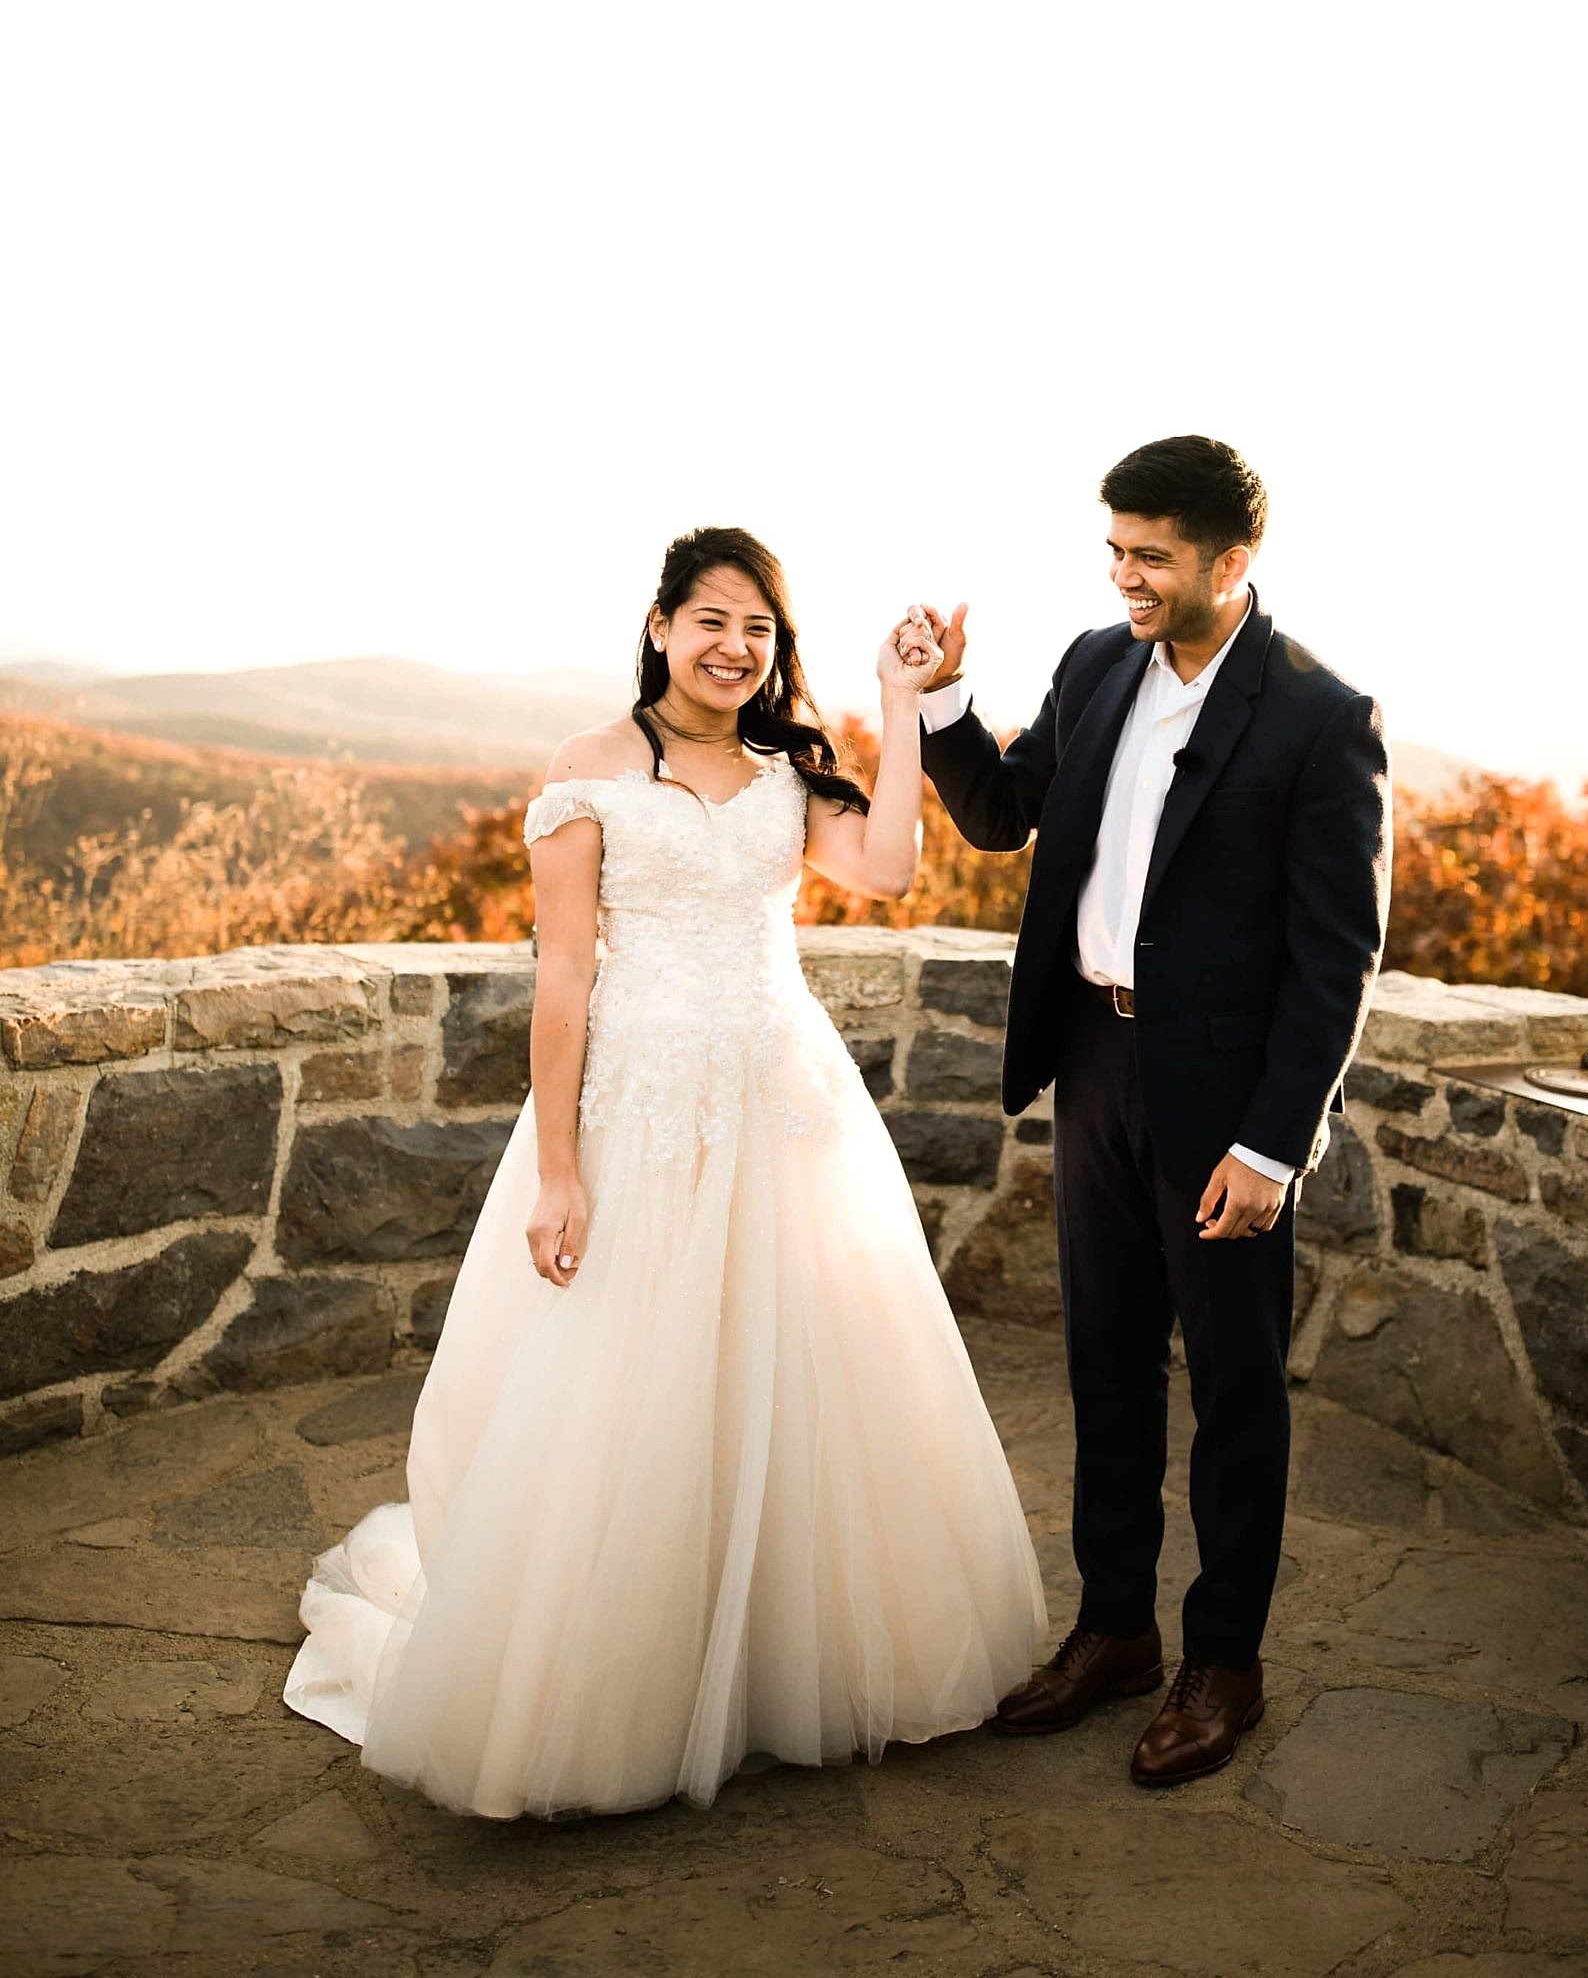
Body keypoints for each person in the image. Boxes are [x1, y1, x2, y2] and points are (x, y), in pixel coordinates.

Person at [283, 525, 1044, 1818]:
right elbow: (564, 979)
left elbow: (893, 867)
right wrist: (559, 1172)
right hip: (637, 1115)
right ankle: (624, 1680)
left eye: (757, 629)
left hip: (780, 1105)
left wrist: (900, 708)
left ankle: (762, 1663)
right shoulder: (588, 773)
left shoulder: (783, 768)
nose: (734, 648)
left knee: (792, 1376)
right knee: (632, 1391)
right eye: (711, 622)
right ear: (658, 626)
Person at [908, 436, 1389, 1785]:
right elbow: (1005, 816)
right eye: (1112, 550)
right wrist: (945, 703)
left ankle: (1219, 1662)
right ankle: (1111, 1629)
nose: (1123, 576)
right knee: (1105, 1368)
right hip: (1095, 1072)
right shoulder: (1092, 664)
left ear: (1230, 564)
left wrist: (1270, 1143)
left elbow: (1333, 954)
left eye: (1150, 557)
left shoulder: (1318, 716)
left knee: (1235, 1392)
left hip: (1225, 1109)